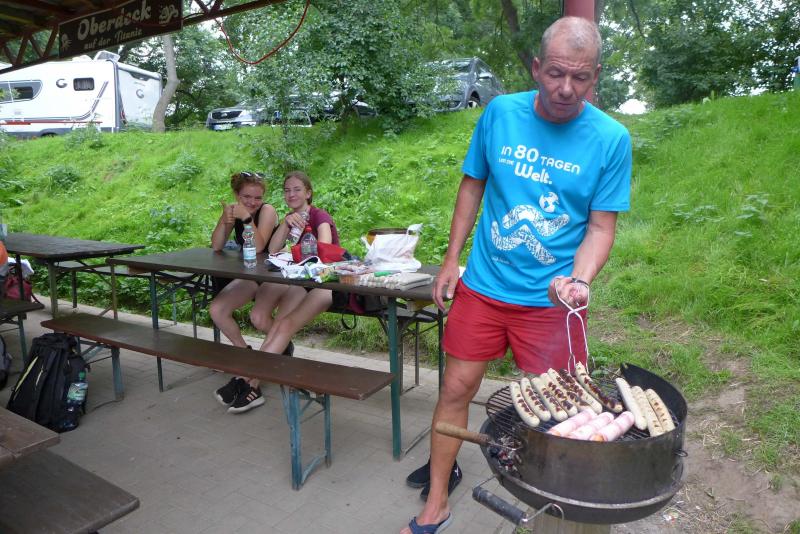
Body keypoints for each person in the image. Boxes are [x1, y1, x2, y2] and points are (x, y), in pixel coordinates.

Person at [401, 16, 632, 534]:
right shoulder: (501, 113)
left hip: (553, 302)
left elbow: (601, 227)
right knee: (455, 390)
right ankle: (437, 501)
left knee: (561, 408)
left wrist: (580, 280)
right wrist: (450, 259)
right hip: (484, 287)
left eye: (581, 77)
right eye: (556, 73)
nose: (566, 88)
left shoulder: (611, 139)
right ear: (535, 67)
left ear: (595, 76)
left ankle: (555, 511)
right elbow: (472, 186)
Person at [235, 170, 341, 412]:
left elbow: (323, 251)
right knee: (275, 324)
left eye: (297, 190)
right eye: (287, 190)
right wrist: (285, 223)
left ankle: (252, 383)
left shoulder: (319, 216)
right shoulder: (290, 218)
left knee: (283, 326)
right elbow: (272, 250)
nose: (291, 194)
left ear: (308, 193)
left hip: (324, 284)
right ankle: (257, 376)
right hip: (300, 282)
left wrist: (300, 239)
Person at [209, 171, 286, 413]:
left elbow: (260, 245)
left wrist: (245, 218)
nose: (252, 202)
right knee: (217, 310)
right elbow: (216, 245)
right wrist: (226, 219)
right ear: (236, 195)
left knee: (259, 318)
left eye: (257, 197)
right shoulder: (235, 210)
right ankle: (247, 358)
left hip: (273, 276)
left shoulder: (268, 211)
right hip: (251, 276)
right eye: (246, 197)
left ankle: (265, 364)